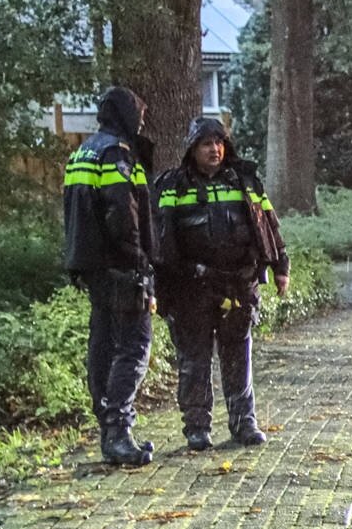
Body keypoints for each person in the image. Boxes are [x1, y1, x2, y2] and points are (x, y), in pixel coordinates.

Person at [151, 117, 289, 450]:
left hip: (239, 285)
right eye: (206, 144)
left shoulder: (244, 181)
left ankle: (244, 423)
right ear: (192, 149)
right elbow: (159, 240)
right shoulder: (172, 186)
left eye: (219, 142)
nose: (215, 149)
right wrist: (160, 286)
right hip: (191, 288)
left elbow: (269, 225)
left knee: (238, 354)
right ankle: (197, 427)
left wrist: (280, 265)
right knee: (194, 359)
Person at [62, 86, 158, 466]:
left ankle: (110, 429)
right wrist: (139, 261)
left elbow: (73, 213)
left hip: (92, 266)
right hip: (120, 265)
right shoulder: (115, 153)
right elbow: (123, 214)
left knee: (102, 344)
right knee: (135, 344)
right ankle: (118, 431)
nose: (143, 121)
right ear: (127, 114)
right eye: (140, 114)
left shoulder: (81, 153)